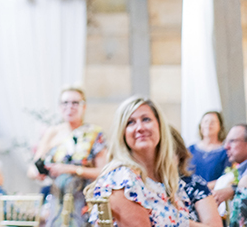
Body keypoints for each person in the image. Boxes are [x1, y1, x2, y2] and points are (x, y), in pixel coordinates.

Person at [88, 96, 213, 227]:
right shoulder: (122, 180)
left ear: (159, 125)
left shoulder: (163, 179)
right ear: (122, 133)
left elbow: (180, 223)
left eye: (146, 119)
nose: (140, 128)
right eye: (130, 122)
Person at [28, 87, 107, 226]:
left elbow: (103, 171)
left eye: (75, 103)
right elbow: (32, 168)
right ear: (59, 106)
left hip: (83, 200)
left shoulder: (94, 133)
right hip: (56, 200)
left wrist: (70, 169)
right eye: (65, 103)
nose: (70, 107)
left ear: (84, 106)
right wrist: (40, 172)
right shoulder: (52, 133)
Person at [170, 127, 221, 226]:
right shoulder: (140, 185)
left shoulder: (194, 184)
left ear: (179, 154)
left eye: (168, 153)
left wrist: (176, 220)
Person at [188, 111, 229, 188]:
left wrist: (204, 188)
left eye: (213, 122)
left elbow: (227, 177)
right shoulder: (190, 149)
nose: (208, 125)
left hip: (214, 194)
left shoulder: (226, 151)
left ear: (220, 126)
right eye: (205, 121)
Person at [212, 124, 247, 210]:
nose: (226, 147)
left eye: (232, 141)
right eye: (226, 142)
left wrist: (234, 190)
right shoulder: (238, 169)